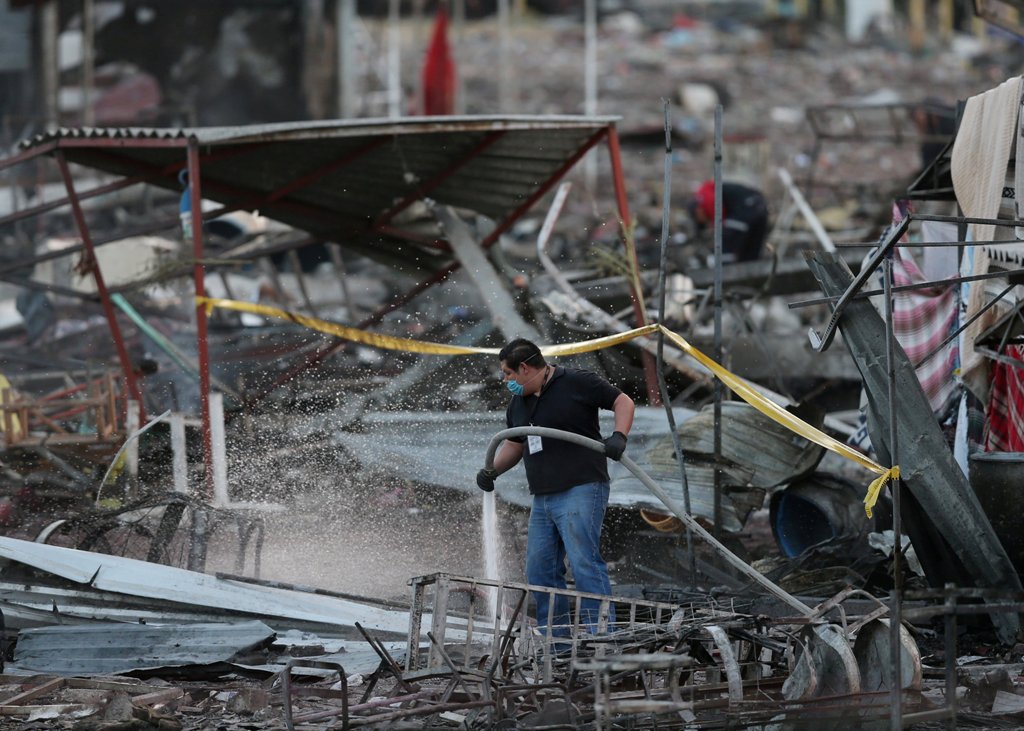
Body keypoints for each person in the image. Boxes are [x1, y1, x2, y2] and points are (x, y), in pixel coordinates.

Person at [476, 338, 634, 633]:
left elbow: (622, 401)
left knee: (583, 561)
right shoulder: (519, 402)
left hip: (582, 487)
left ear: (524, 368)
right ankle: (556, 643)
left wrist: (619, 436)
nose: (506, 380)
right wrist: (491, 470)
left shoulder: (576, 382)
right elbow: (515, 442)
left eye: (508, 374)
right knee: (540, 570)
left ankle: (602, 637)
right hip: (544, 497)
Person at [689, 179, 769, 264]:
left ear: (698, 211)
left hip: (746, 206)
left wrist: (719, 227)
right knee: (750, 247)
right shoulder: (705, 194)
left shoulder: (702, 193)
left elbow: (717, 208)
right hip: (759, 205)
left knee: (727, 244)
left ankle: (724, 268)